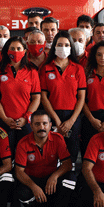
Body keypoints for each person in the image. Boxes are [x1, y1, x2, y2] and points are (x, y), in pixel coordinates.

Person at [15, 110, 74, 207]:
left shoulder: (58, 138)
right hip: (32, 180)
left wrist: (55, 176)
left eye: (44, 124)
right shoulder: (23, 143)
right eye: (37, 124)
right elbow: (19, 171)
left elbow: (67, 164)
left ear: (50, 125)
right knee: (22, 191)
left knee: (70, 179)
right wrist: (33, 186)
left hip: (50, 181)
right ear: (31, 126)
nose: (41, 127)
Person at [40, 31, 86, 163]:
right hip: (52, 116)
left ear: (71, 47)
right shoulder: (46, 68)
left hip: (73, 116)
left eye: (66, 45)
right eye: (60, 44)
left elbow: (81, 97)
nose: (63, 48)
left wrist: (71, 121)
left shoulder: (78, 69)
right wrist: (56, 121)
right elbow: (43, 96)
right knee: (52, 152)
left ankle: (69, 179)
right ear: (54, 46)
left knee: (71, 153)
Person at [0, 36, 41, 150]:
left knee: (25, 155)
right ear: (7, 51)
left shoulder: (32, 71)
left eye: (19, 48)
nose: (16, 51)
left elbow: (36, 98)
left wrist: (26, 118)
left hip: (25, 123)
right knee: (5, 157)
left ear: (24, 51)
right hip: (3, 122)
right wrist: (5, 118)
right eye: (12, 48)